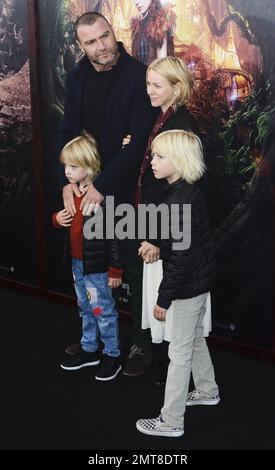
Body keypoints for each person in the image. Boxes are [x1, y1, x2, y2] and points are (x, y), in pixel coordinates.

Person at [56, 11, 157, 355]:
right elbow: (67, 130)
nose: (102, 46)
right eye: (92, 42)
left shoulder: (139, 76)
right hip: (87, 189)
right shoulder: (77, 75)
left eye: (105, 36)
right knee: (91, 267)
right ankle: (95, 341)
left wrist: (102, 187)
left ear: (113, 32)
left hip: (129, 191)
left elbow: (140, 144)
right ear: (80, 46)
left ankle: (141, 346)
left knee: (133, 266)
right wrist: (66, 182)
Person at [136, 130, 220, 437]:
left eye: (159, 156)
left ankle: (171, 421)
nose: (152, 161)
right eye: (153, 155)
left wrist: (163, 300)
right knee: (195, 338)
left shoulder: (179, 202)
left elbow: (180, 260)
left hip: (187, 288)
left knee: (179, 354)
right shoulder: (186, 194)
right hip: (199, 283)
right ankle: (208, 390)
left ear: (179, 160)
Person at [123, 56, 199, 377]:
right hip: (144, 215)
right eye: (147, 84)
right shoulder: (160, 117)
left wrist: (156, 235)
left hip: (159, 224)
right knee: (141, 281)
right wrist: (134, 145)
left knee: (158, 286)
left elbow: (181, 189)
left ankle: (157, 354)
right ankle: (145, 345)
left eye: (156, 85)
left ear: (176, 87)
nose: (149, 91)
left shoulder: (183, 125)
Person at [53, 132, 124, 381]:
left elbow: (115, 237)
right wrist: (57, 220)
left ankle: (112, 354)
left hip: (98, 267)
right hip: (77, 263)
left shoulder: (101, 197)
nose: (67, 172)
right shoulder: (72, 192)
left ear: (89, 165)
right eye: (66, 166)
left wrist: (115, 271)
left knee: (102, 309)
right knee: (84, 307)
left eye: (73, 166)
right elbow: (67, 221)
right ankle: (89, 349)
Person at [131, 0, 176, 65]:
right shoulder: (139, 26)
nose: (137, 2)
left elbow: (162, 65)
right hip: (139, 73)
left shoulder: (159, 23)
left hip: (154, 73)